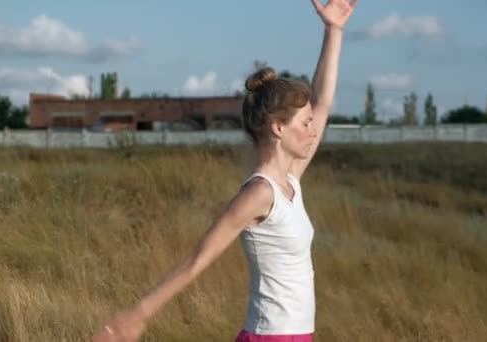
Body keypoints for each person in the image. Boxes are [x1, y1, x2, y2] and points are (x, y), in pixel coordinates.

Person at [93, 1, 357, 341]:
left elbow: (321, 103)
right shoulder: (260, 194)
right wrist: (137, 316)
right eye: (304, 124)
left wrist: (333, 31)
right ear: (278, 128)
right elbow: (197, 260)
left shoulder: (290, 183)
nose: (313, 130)